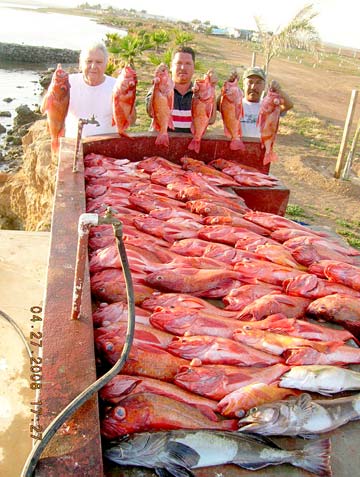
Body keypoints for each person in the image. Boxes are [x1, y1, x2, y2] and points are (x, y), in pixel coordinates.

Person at [145, 46, 217, 133]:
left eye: (188, 63)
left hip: (191, 146)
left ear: (194, 67)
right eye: (178, 63)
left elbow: (211, 119)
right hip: (162, 144)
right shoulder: (160, 89)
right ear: (171, 67)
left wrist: (212, 88)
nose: (183, 67)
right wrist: (157, 85)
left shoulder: (199, 93)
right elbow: (151, 112)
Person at [64, 42, 118, 138]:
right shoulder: (68, 82)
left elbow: (131, 120)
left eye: (99, 62)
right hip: (72, 145)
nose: (93, 66)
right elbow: (46, 108)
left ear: (106, 64)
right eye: (89, 61)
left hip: (107, 146)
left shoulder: (117, 86)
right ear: (81, 64)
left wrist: (129, 105)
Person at [241, 66, 293, 138]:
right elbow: (219, 105)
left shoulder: (269, 107)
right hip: (237, 147)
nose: (253, 87)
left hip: (262, 147)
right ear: (243, 85)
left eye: (258, 83)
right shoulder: (235, 104)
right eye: (250, 82)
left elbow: (289, 105)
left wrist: (278, 91)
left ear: (264, 86)